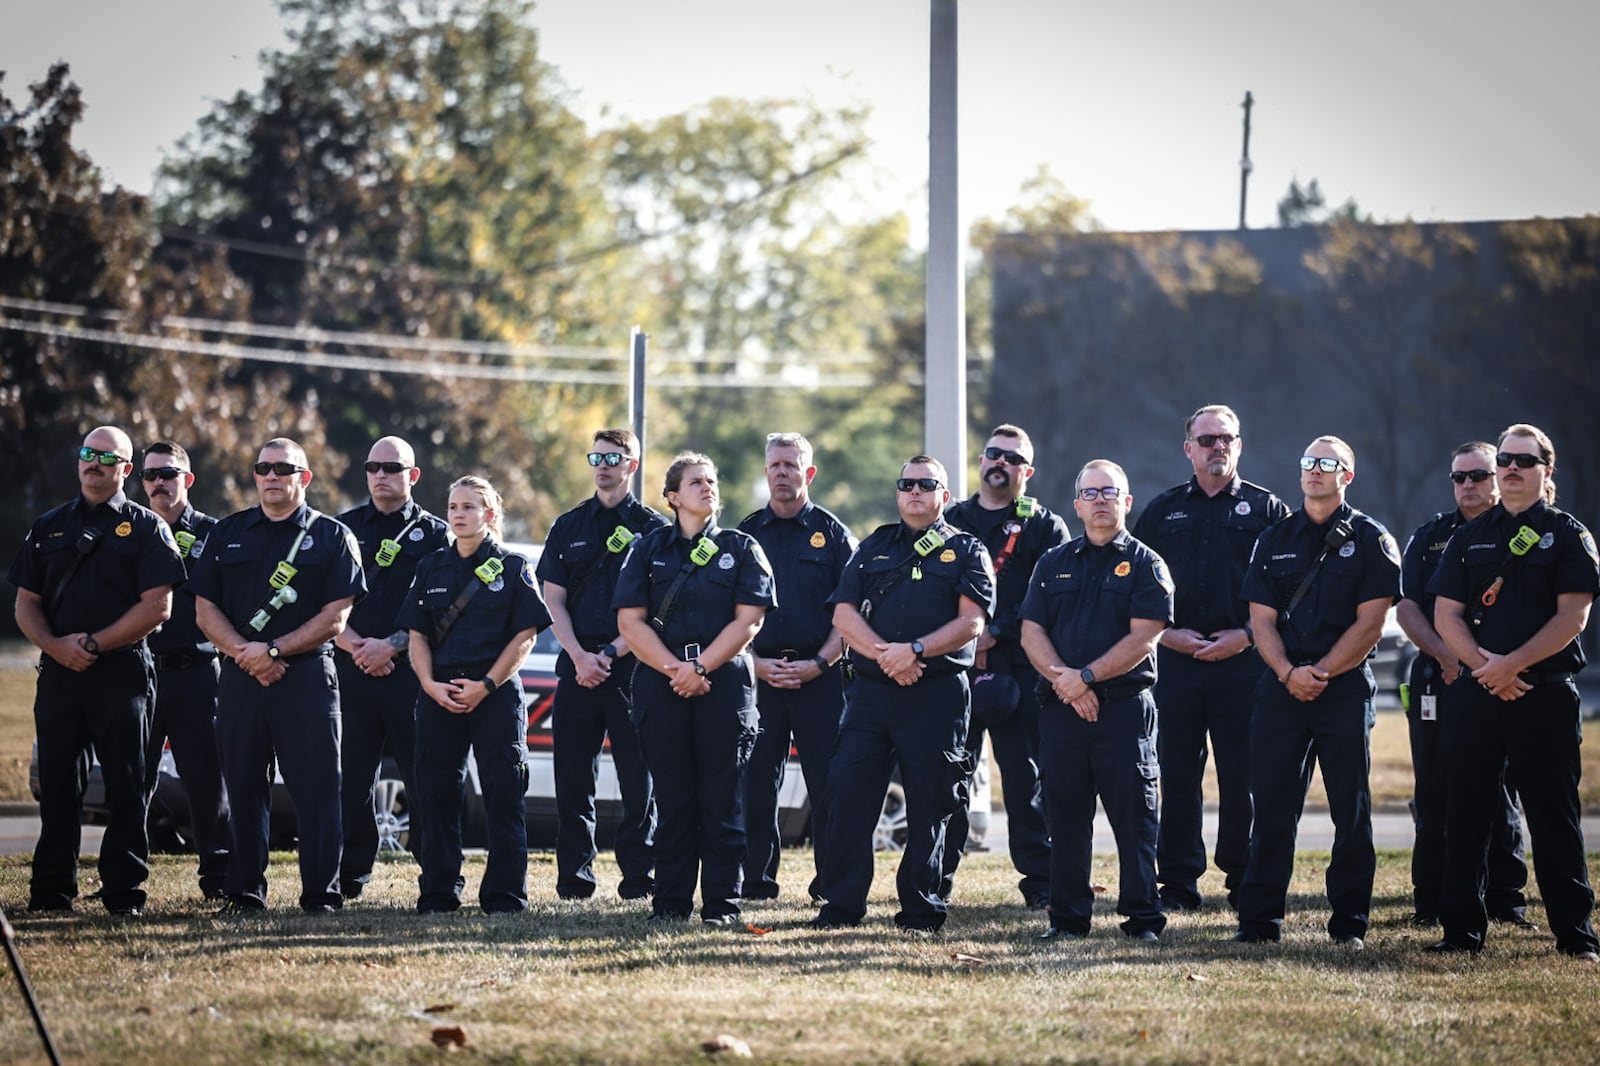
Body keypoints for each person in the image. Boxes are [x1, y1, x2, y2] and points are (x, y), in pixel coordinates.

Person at [1429, 423, 1600, 961]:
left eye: (1524, 461)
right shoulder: (1468, 535)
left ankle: (1575, 935)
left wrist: (1513, 666)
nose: (1510, 468)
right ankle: (1461, 933)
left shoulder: (1568, 534)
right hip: (1479, 693)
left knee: (1554, 816)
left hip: (1543, 694)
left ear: (1547, 471)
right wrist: (1486, 668)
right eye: (1504, 459)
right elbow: (1446, 615)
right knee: (1467, 814)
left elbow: (1573, 616)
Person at [811, 456, 994, 934]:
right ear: (897, 493)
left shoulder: (967, 549)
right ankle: (841, 908)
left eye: (926, 484)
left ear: (944, 496)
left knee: (930, 805)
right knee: (848, 796)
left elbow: (971, 622)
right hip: (872, 694)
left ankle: (921, 911)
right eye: (906, 484)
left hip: (936, 695)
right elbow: (843, 613)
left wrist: (914, 651)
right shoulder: (874, 544)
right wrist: (886, 655)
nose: (914, 491)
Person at [9, 427, 185, 916]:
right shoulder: (49, 526)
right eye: (87, 454)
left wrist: (92, 644)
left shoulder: (147, 527)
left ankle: (124, 893)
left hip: (121, 673)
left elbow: (159, 606)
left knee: (128, 786)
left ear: (126, 470)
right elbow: (26, 604)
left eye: (107, 457)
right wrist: (56, 647)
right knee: (59, 787)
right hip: (60, 673)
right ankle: (50, 893)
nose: (94, 463)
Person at [1232, 436, 1399, 948]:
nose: (1315, 471)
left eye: (1327, 464)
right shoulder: (1274, 536)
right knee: (1273, 809)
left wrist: (1321, 672)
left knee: (1351, 811)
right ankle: (1259, 924)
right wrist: (1287, 673)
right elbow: (1260, 621)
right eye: (1308, 462)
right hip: (1281, 689)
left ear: (1347, 475)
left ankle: (1349, 925)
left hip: (1343, 688)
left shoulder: (1371, 539)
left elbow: (1372, 622)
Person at [190, 438, 366, 913]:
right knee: (243, 789)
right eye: (263, 467)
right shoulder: (227, 534)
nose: (271, 476)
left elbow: (336, 618)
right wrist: (246, 655)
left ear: (303, 478)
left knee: (317, 793)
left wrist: (272, 648)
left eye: (283, 469)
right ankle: (245, 892)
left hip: (307, 679)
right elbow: (205, 610)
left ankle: (321, 896)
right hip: (241, 678)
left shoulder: (332, 537)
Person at [1131, 404, 1288, 913]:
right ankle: (1177, 884)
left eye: (1226, 438)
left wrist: (1244, 637)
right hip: (1176, 663)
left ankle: (1243, 879)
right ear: (1189, 449)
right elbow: (1136, 585)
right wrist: (1167, 637)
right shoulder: (1161, 511)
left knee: (1244, 776)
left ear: (1239, 445)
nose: (1216, 447)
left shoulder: (1269, 512)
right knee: (1176, 775)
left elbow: (1289, 592)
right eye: (1206, 440)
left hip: (1245, 662)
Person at [614, 453, 776, 926]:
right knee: (674, 796)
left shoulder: (742, 548)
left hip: (723, 682)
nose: (707, 488)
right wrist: (674, 670)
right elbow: (630, 622)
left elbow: (750, 620)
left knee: (722, 798)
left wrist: (700, 667)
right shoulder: (646, 550)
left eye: (712, 480)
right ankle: (670, 903)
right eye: (695, 482)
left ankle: (722, 904)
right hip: (663, 684)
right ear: (672, 497)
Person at [1021, 459, 1173, 941]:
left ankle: (1142, 918)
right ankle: (1067, 918)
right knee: (1064, 817)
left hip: (1123, 710)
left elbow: (1145, 639)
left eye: (1111, 492)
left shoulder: (1148, 564)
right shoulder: (1054, 562)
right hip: (1062, 710)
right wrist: (1066, 682)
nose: (1101, 500)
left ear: (1127, 502)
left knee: (1135, 817)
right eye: (1092, 493)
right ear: (1078, 505)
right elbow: (1031, 631)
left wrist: (1084, 678)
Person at [400, 475, 550, 914]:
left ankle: (504, 895)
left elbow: (525, 635)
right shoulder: (430, 567)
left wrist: (486, 686)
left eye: (469, 507)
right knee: (436, 795)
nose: (459, 514)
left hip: (495, 693)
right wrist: (428, 685)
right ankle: (439, 893)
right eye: (453, 507)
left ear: (489, 514)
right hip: (439, 692)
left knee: (504, 794)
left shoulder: (513, 566)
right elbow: (417, 635)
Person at [1395, 442, 1528, 929]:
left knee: (1502, 794)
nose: (1467, 485)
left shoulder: (1529, 532)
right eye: (1459, 477)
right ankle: (1431, 900)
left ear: (1499, 477)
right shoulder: (1429, 536)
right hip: (1440, 678)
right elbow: (1408, 607)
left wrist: (1499, 666)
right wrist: (1444, 654)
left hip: (1504, 681)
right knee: (1434, 790)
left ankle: (1505, 902)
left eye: (1478, 475)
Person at [941, 424, 1069, 909]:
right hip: (955, 670)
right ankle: (938, 879)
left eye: (1013, 458)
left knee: (1027, 780)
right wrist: (964, 638)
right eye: (994, 454)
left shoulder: (1044, 526)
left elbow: (1054, 598)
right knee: (948, 777)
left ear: (1027, 471)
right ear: (980, 460)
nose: (1002, 463)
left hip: (1023, 668)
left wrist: (997, 631)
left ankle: (1041, 884)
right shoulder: (950, 520)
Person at [539, 428, 667, 901]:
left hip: (632, 669)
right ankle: (575, 880)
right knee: (573, 779)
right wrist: (577, 656)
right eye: (596, 456)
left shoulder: (654, 530)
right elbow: (553, 600)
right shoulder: (567, 526)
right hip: (576, 667)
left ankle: (639, 879)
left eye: (614, 457)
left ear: (632, 464)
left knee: (640, 781)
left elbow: (656, 609)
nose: (603, 464)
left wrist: (611, 653)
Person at [738, 432, 854, 903]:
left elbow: (851, 613)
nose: (781, 472)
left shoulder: (835, 535)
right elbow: (728, 613)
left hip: (819, 680)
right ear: (766, 472)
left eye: (791, 464)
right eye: (774, 465)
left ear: (809, 473)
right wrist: (754, 663)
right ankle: (757, 882)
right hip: (759, 677)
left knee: (828, 785)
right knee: (755, 784)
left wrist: (821, 662)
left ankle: (828, 885)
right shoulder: (744, 534)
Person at [333, 436, 450, 900]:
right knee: (350, 778)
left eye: (392, 467)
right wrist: (356, 645)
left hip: (412, 674)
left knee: (424, 776)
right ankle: (348, 876)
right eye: (373, 466)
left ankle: (436, 877)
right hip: (351, 667)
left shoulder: (438, 535)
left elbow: (443, 612)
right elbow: (323, 601)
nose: (381, 474)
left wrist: (392, 647)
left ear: (412, 476)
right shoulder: (339, 529)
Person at [139, 440, 230, 900]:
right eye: (151, 475)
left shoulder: (216, 535)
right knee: (132, 776)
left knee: (206, 779)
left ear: (187, 480)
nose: (159, 483)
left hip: (196, 672)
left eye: (168, 474)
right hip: (140, 670)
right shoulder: (129, 532)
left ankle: (219, 878)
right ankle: (126, 879)